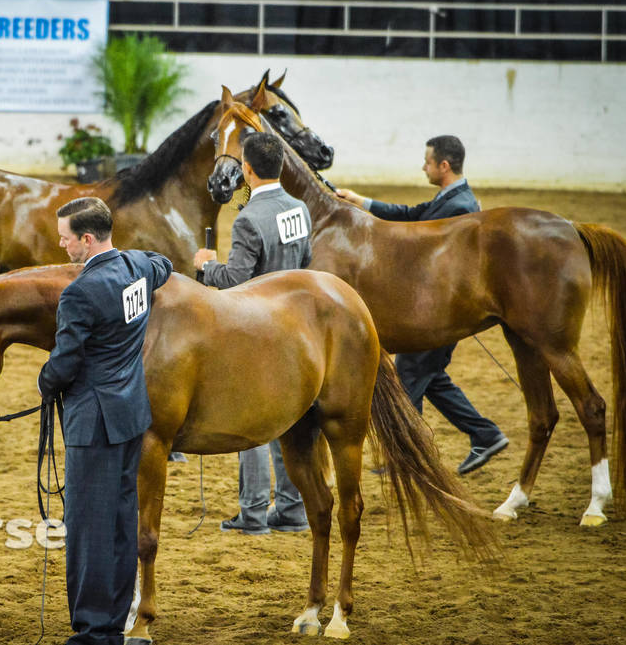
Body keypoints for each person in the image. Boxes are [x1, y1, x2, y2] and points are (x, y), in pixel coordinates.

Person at [37, 198, 172, 645]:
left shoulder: (80, 292)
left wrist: (46, 381)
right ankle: (113, 618)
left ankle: (95, 631)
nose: (61, 243)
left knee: (89, 529)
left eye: (66, 237)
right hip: (130, 414)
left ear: (87, 239)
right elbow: (163, 264)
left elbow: (65, 362)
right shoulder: (136, 266)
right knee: (118, 523)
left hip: (93, 423)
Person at [335, 135, 508, 475]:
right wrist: (362, 202)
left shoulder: (459, 207)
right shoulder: (451, 199)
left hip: (438, 313)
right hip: (433, 309)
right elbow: (413, 214)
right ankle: (485, 434)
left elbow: (416, 229)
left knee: (409, 375)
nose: (423, 167)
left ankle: (406, 458)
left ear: (444, 166)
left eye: (427, 162)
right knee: (431, 377)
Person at [192, 132, 312, 535]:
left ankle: (254, 513)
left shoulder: (247, 219)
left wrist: (206, 266)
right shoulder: (300, 208)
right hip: (294, 330)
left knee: (252, 424)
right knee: (289, 421)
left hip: (257, 334)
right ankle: (293, 509)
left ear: (246, 169)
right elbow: (305, 266)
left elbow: (235, 279)